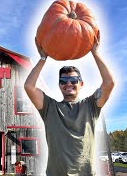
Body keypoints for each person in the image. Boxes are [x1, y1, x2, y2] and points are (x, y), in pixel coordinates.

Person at [24, 35, 114, 175]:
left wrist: (95, 53)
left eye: (73, 79)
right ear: (59, 85)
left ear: (81, 84)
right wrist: (43, 58)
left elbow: (109, 83)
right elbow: (29, 86)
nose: (68, 84)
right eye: (63, 80)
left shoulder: (91, 106)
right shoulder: (49, 107)